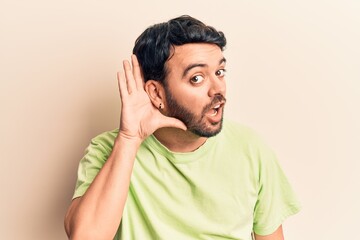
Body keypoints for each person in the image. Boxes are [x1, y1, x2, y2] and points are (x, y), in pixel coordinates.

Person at [64, 15, 301, 240]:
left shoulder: (251, 148)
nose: (217, 89)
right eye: (197, 78)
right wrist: (129, 138)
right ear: (156, 93)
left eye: (219, 72)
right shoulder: (109, 149)